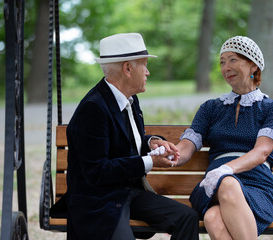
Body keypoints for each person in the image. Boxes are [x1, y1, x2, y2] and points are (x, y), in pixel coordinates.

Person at [66, 33, 199, 240]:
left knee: (186, 217)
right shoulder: (92, 109)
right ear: (127, 69)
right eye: (144, 65)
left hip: (128, 192)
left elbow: (127, 140)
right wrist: (150, 161)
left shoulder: (130, 99)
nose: (147, 72)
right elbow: (96, 171)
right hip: (98, 200)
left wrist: (151, 142)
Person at [175, 36, 273, 239]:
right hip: (215, 186)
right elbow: (187, 145)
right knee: (226, 185)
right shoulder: (211, 108)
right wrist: (171, 153)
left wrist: (225, 170)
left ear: (253, 65)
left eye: (233, 60)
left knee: (212, 218)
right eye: (222, 62)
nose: (226, 67)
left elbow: (262, 151)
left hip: (257, 186)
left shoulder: (272, 108)